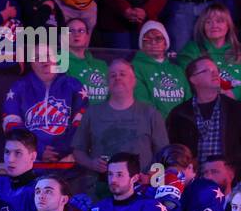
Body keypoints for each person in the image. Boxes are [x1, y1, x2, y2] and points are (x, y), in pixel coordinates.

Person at [72, 59, 169, 193]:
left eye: (122, 74)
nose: (117, 78)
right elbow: (78, 150)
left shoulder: (151, 113)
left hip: (141, 190)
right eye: (112, 75)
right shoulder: (92, 113)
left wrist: (151, 179)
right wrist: (92, 164)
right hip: (101, 190)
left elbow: (164, 154)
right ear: (107, 82)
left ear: (134, 81)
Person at [166, 56, 241, 181]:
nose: (215, 74)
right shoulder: (179, 114)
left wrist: (238, 177)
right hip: (192, 183)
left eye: (216, 70)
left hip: (228, 182)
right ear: (193, 79)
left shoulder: (236, 110)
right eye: (207, 71)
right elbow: (173, 153)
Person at [3, 48, 89, 173]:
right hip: (29, 168)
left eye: (49, 56)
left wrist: (62, 149)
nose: (45, 62)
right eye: (38, 58)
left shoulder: (73, 85)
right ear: (31, 63)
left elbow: (82, 122)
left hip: (68, 167)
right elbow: (11, 124)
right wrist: (37, 149)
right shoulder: (19, 87)